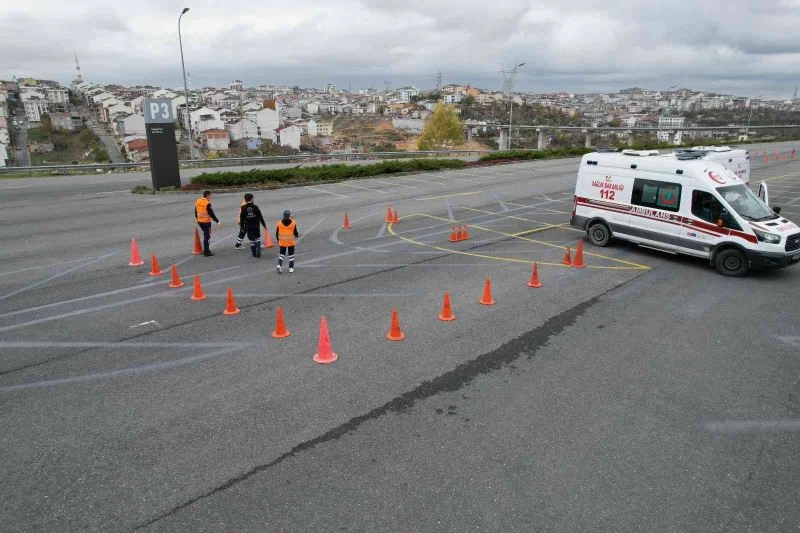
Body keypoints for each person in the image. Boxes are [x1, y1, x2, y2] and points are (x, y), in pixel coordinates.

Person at [239, 193, 267, 257]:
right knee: (257, 238)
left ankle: (254, 253)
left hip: (248, 227)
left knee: (251, 240)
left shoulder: (243, 208)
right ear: (252, 199)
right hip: (256, 226)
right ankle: (258, 249)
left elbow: (242, 219)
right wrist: (264, 225)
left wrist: (242, 227)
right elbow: (260, 217)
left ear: (245, 200)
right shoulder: (255, 207)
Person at [195, 190, 220, 257]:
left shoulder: (198, 201)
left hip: (200, 221)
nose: (211, 197)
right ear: (208, 195)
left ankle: (206, 250)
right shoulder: (207, 203)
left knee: (205, 235)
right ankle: (206, 251)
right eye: (210, 195)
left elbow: (196, 211)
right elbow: (211, 214)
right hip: (206, 222)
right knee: (207, 237)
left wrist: (197, 219)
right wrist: (217, 221)